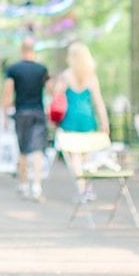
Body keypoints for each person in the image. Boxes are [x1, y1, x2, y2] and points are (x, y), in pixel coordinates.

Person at [52, 43, 108, 201]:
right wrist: (104, 121)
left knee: (75, 157)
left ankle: (82, 189)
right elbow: (98, 102)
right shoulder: (91, 76)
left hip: (70, 119)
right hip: (87, 119)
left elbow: (57, 96)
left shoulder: (66, 76)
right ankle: (89, 189)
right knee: (87, 156)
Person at [1, 37, 50, 200]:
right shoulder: (42, 69)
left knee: (23, 150)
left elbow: (7, 93)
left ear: (21, 50)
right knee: (37, 150)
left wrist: (5, 116)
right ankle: (36, 185)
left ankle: (23, 185)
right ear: (33, 51)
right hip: (38, 112)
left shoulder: (13, 69)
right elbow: (52, 90)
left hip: (21, 113)